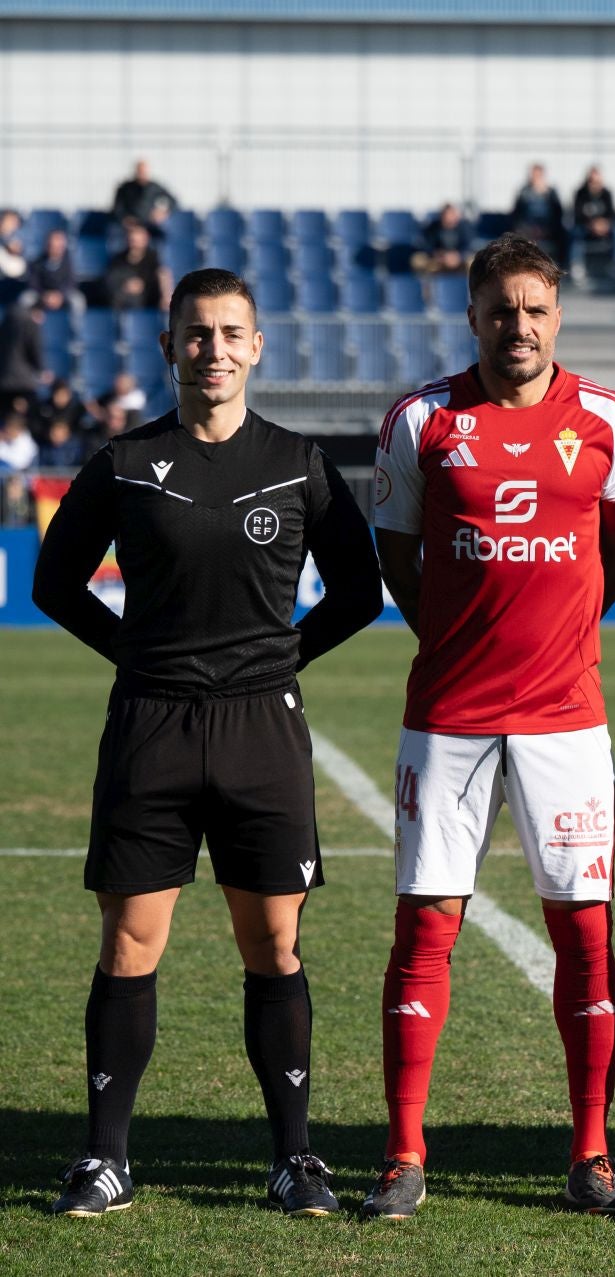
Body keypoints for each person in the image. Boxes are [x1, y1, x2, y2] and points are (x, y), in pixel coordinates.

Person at [32, 267, 383, 1218]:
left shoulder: (299, 461)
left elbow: (360, 594)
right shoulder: (123, 462)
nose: (214, 349)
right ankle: (105, 1159)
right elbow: (53, 585)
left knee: (273, 945)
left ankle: (296, 1157)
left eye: (231, 333)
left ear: (256, 348)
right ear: (169, 347)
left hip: (261, 729)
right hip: (150, 723)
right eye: (197, 334)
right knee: (129, 944)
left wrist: (277, 664)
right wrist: (135, 658)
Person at [363, 234, 615, 1220]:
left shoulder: (609, 420)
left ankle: (592, 1153)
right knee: (425, 922)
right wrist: (453, 632)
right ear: (474, 316)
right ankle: (404, 1153)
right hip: (446, 712)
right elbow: (396, 554)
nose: (517, 326)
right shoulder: (422, 420)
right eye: (499, 310)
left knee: (585, 931)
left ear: (556, 315)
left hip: (568, 718)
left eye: (534, 309)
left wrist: (559, 635)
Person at [511, 163, 569, 266]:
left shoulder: (551, 193)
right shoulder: (524, 192)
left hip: (548, 228)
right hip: (528, 229)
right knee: (516, 236)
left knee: (564, 235)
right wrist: (530, 229)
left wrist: (547, 229)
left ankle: (562, 266)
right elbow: (517, 215)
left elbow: (559, 213)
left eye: (538, 175)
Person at [109, 160, 175, 233]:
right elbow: (117, 208)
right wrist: (124, 219)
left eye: (144, 171)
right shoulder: (125, 187)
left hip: (150, 223)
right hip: (131, 223)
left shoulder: (154, 187)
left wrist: (163, 212)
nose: (142, 174)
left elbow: (173, 200)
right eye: (140, 171)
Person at [413, 204, 473, 277]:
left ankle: (469, 285)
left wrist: (458, 256)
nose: (450, 218)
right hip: (438, 260)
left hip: (458, 260)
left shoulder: (464, 227)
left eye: (452, 215)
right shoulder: (433, 227)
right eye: (447, 215)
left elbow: (468, 245)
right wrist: (438, 254)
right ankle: (427, 286)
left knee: (473, 262)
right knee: (417, 260)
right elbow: (426, 245)